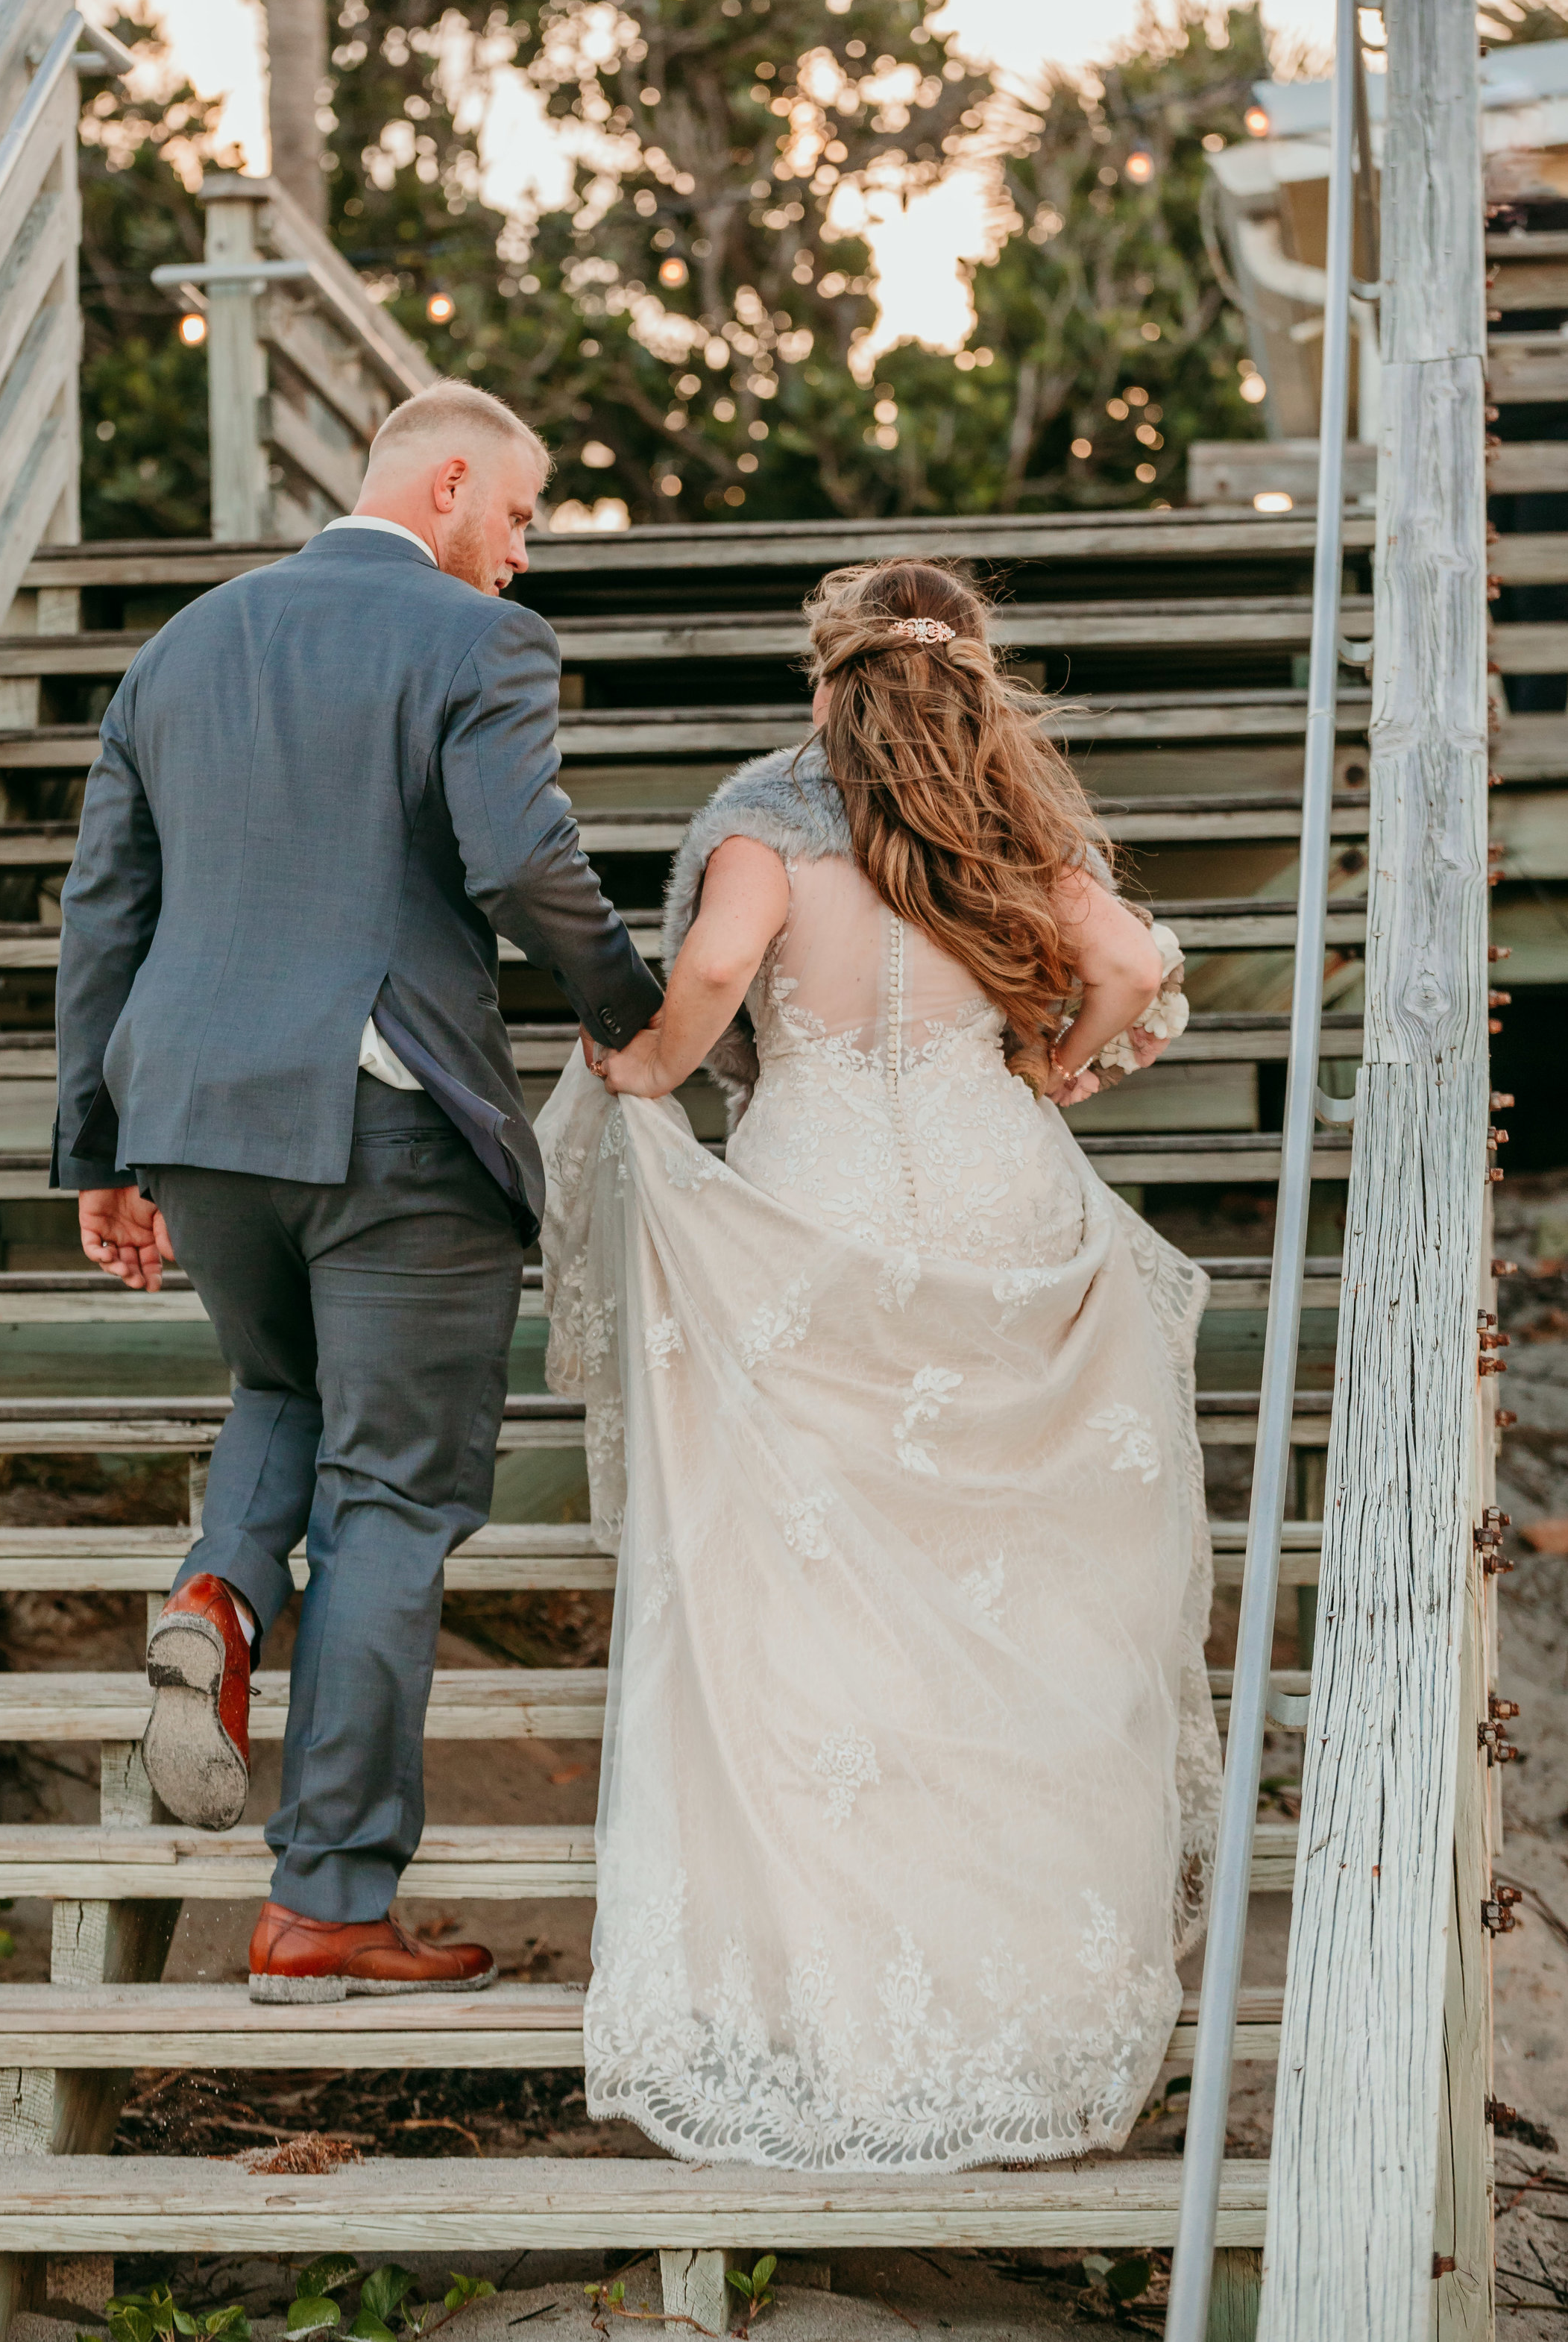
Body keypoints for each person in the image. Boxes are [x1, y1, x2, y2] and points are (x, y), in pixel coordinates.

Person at [538, 554, 1215, 2171]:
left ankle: (816, 1976)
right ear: (973, 675)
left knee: (817, 1583)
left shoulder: (768, 815)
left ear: (820, 676)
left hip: (815, 1196)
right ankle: (1030, 1975)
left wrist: (642, 1062)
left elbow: (710, 977)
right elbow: (1131, 967)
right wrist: (1047, 1067)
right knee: (1025, 1581)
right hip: (996, 1189)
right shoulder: (1007, 820)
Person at [51, 380, 661, 2004]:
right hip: (391, 1124)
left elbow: (105, 911)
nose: (520, 558)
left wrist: (101, 1154)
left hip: (194, 1114)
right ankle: (323, 1898)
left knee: (278, 1386)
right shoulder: (475, 644)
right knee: (390, 1497)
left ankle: (217, 1588)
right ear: (449, 480)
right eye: (520, 517)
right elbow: (522, 863)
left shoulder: (179, 646)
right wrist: (633, 1012)